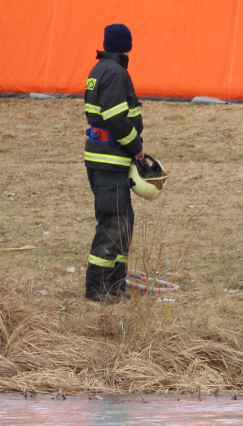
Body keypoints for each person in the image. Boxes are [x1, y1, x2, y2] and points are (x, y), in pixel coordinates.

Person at [82, 23, 143, 302]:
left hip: (104, 157)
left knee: (121, 220)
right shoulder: (116, 72)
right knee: (113, 222)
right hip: (109, 158)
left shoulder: (100, 69)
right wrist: (136, 146)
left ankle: (116, 284)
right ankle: (98, 288)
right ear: (126, 44)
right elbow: (116, 118)